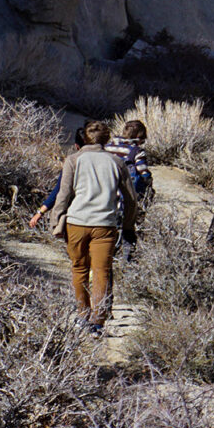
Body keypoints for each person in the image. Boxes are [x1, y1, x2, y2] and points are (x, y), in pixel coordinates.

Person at [48, 121, 139, 336]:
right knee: (101, 272)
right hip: (105, 224)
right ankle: (98, 321)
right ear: (106, 139)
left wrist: (56, 220)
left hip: (76, 223)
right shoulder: (116, 162)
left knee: (79, 269)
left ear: (85, 139)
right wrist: (128, 226)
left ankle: (82, 314)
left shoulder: (73, 160)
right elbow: (131, 199)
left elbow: (64, 195)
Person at [29, 126, 88, 229]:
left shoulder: (72, 162)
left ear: (76, 146)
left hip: (78, 218)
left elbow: (60, 190)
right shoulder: (110, 161)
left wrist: (41, 213)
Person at [106, 120, 154, 199]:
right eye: (142, 140)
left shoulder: (107, 147)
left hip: (107, 187)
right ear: (138, 138)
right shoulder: (137, 151)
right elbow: (144, 173)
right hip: (126, 191)